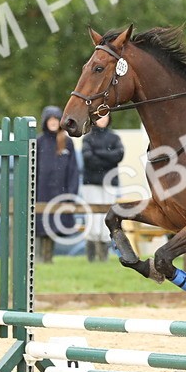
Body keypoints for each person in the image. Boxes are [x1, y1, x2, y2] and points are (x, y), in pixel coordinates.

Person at [35, 105, 80, 262]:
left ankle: (48, 259)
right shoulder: (38, 142)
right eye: (50, 120)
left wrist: (71, 194)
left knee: (54, 226)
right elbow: (33, 169)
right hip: (41, 192)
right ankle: (39, 259)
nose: (53, 123)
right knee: (41, 226)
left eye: (56, 119)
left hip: (61, 192)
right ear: (45, 121)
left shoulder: (67, 142)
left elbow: (74, 170)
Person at [80, 112, 124, 262]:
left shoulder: (114, 137)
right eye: (99, 117)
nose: (102, 119)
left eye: (105, 116)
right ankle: (91, 256)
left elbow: (119, 155)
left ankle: (103, 256)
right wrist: (108, 158)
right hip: (91, 183)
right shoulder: (87, 137)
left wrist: (98, 154)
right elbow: (88, 158)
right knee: (92, 218)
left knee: (107, 217)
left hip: (110, 184)